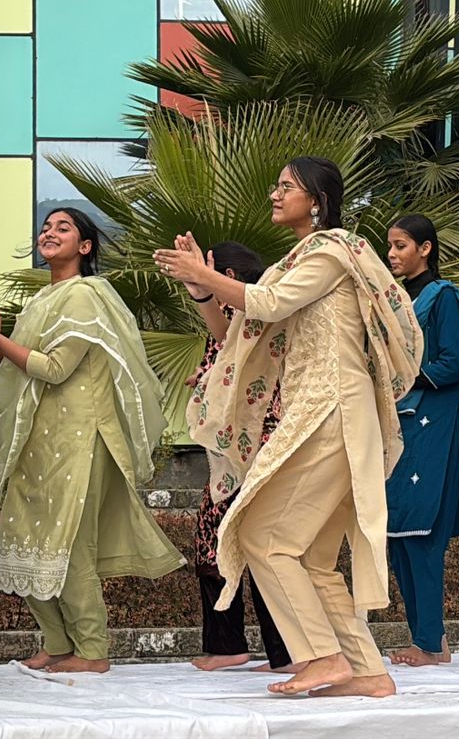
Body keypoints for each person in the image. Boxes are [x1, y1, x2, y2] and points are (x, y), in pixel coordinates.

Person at [154, 157, 423, 698]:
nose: (275, 195)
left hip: (332, 410)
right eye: (276, 186)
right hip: (324, 413)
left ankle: (322, 656)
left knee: (262, 535)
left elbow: (269, 302)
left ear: (317, 201)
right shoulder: (298, 261)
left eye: (286, 187)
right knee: (314, 560)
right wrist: (203, 289)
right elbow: (242, 329)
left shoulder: (331, 251)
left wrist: (205, 274)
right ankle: (368, 672)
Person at [0, 208, 184, 674]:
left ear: (85, 247)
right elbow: (22, 372)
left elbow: (55, 368)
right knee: (22, 536)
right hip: (38, 440)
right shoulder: (41, 300)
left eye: (63, 228)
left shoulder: (85, 295)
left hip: (81, 438)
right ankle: (58, 643)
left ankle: (92, 651)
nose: (49, 232)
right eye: (46, 226)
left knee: (69, 542)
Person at [382, 215, 459, 667]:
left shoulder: (444, 297)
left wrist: (398, 379)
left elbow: (452, 364)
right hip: (405, 424)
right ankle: (428, 640)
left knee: (423, 530)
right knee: (399, 533)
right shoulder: (398, 301)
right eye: (390, 246)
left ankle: (430, 644)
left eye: (400, 245)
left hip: (442, 423)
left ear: (425, 248)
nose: (392, 254)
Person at [179, 241, 292, 673]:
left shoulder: (258, 308)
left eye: (208, 269)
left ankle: (286, 653)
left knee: (259, 542)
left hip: (258, 443)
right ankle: (228, 646)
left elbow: (234, 345)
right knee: (213, 539)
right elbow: (224, 350)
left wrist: (203, 291)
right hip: (230, 451)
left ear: (228, 276)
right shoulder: (231, 314)